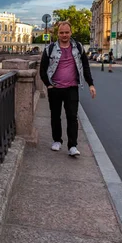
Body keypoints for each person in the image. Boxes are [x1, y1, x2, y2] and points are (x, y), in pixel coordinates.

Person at [39, 21, 96, 157]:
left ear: (71, 33)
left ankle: (73, 146)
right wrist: (49, 85)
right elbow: (42, 69)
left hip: (72, 88)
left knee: (72, 117)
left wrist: (91, 84)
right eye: (61, 32)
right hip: (55, 88)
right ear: (57, 34)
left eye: (66, 32)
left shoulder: (78, 48)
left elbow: (85, 66)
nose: (64, 35)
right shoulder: (50, 49)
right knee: (55, 116)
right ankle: (57, 141)